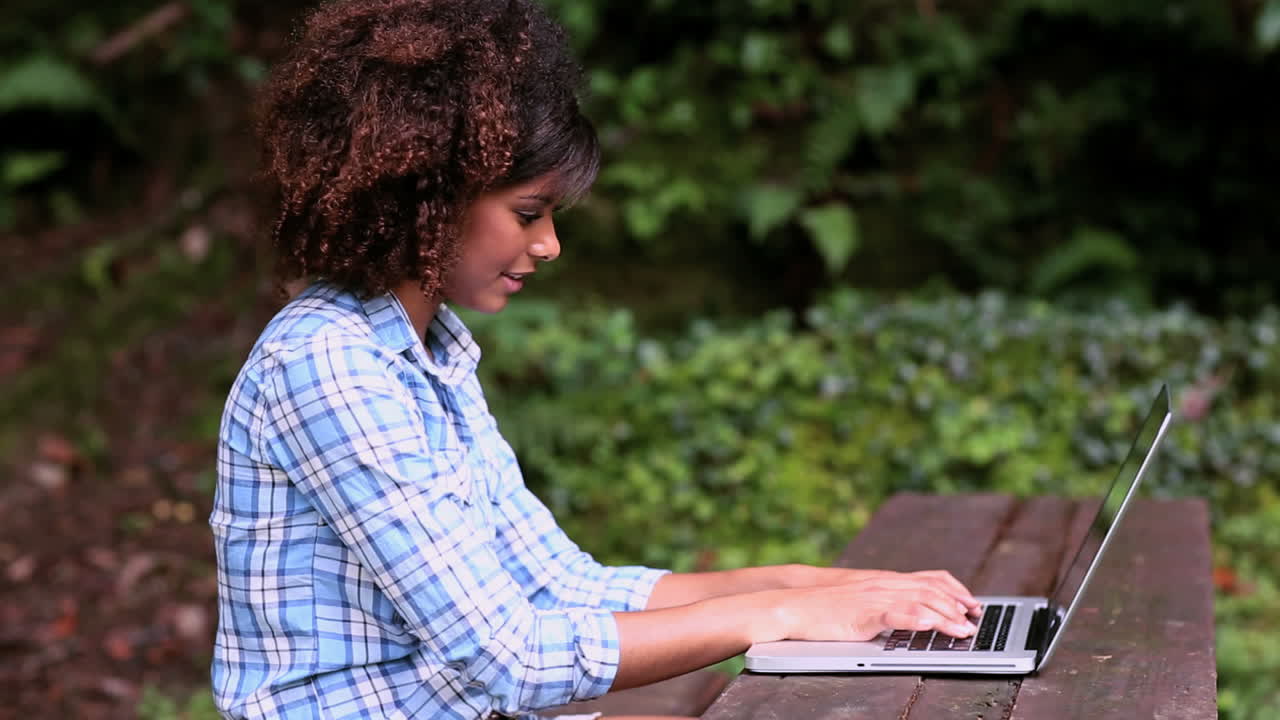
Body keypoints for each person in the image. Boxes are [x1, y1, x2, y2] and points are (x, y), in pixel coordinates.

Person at [209, 1, 981, 718]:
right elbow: (508, 656)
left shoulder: (420, 354)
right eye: (528, 214)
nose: (548, 245)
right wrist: (781, 617)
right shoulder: (328, 366)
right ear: (426, 197)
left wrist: (828, 587)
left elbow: (559, 586)